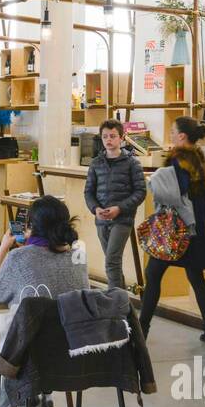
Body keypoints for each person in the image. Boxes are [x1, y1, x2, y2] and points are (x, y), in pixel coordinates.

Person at [0, 195, 90, 407]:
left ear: (32, 226)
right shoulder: (79, 259)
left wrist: (3, 249)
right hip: (71, 352)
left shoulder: (20, 258)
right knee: (48, 327)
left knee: (20, 342)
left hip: (27, 355)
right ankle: (44, 393)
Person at [139, 116, 205, 345]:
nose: (171, 135)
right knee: (197, 278)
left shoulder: (178, 160)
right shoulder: (199, 158)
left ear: (182, 136)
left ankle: (142, 328)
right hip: (196, 229)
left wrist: (155, 181)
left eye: (173, 131)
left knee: (153, 274)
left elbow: (173, 193)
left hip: (175, 229)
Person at [84, 118, 146, 291]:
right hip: (101, 219)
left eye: (112, 136)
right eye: (105, 137)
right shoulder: (96, 163)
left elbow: (141, 192)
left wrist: (120, 208)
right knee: (113, 263)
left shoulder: (132, 163)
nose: (108, 140)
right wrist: (95, 208)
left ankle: (114, 305)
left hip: (122, 219)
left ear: (122, 138)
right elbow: (88, 192)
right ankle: (123, 304)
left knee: (111, 261)